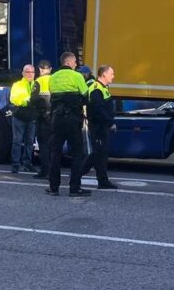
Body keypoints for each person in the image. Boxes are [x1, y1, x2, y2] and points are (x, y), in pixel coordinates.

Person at [47, 52, 91, 197]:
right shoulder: (77, 76)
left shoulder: (52, 77)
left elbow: (53, 96)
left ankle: (53, 188)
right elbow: (86, 96)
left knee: (55, 154)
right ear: (68, 63)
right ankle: (74, 188)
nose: (76, 65)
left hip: (56, 120)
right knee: (77, 154)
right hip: (72, 119)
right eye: (74, 62)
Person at [81, 65, 118, 189]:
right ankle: (78, 173)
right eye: (111, 74)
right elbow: (98, 109)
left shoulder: (103, 87)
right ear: (103, 74)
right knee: (98, 154)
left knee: (101, 154)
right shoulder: (96, 88)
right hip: (98, 126)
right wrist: (110, 122)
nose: (113, 76)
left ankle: (102, 181)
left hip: (101, 125)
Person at [10, 64, 39, 173]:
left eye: (32, 72)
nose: (30, 74)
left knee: (30, 141)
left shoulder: (36, 85)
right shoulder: (17, 85)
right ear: (23, 73)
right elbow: (14, 99)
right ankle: (15, 164)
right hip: (19, 116)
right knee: (17, 141)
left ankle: (27, 163)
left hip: (32, 117)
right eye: (27, 72)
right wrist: (27, 101)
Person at [32, 60, 52, 179]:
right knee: (53, 145)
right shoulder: (55, 79)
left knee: (43, 145)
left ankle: (45, 171)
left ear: (40, 70)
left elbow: (33, 98)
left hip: (42, 116)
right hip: (54, 116)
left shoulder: (38, 81)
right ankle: (53, 170)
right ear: (50, 69)